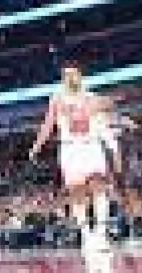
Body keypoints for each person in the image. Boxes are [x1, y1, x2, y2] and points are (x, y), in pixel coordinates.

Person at [28, 63, 111, 254]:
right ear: (63, 80)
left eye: (74, 74)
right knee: (77, 193)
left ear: (80, 77)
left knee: (99, 187)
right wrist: (36, 146)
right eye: (67, 75)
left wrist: (111, 140)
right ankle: (86, 235)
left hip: (91, 145)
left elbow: (103, 122)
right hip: (70, 148)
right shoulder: (57, 99)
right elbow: (48, 125)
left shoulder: (92, 98)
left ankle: (101, 234)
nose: (71, 78)